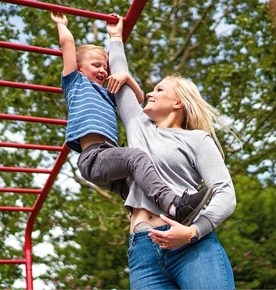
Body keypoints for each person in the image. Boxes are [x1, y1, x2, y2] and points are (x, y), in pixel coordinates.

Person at [107, 16, 236, 289]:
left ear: (178, 102)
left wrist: (192, 232)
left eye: (159, 89)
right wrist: (115, 38)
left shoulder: (197, 140)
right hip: (142, 250)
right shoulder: (138, 127)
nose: (150, 93)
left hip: (191, 245)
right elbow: (120, 82)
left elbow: (225, 193)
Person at [50, 11, 212, 226]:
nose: (103, 70)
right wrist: (62, 25)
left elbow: (136, 99)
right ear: (79, 67)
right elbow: (68, 45)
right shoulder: (75, 84)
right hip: (93, 157)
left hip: (109, 158)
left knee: (142, 185)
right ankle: (175, 206)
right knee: (136, 158)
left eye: (105, 66)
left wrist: (126, 77)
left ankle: (168, 219)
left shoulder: (107, 93)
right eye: (96, 65)